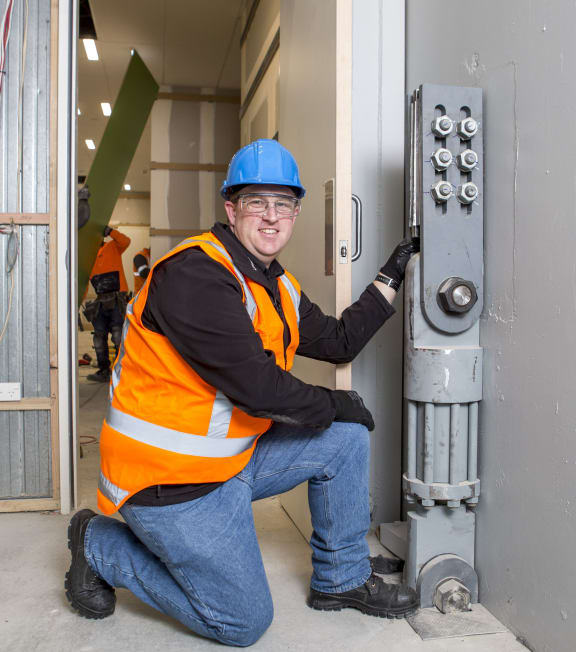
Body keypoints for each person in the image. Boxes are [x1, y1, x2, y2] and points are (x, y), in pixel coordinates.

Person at [65, 140, 419, 645]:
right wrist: (334, 402)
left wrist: (391, 275)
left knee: (343, 439)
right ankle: (96, 542)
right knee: (242, 621)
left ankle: (340, 578)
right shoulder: (196, 275)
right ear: (231, 209)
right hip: (169, 481)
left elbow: (340, 339)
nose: (272, 217)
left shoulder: (276, 284)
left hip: (228, 460)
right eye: (257, 202)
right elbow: (257, 388)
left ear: (296, 212)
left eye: (283, 204)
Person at [84, 226, 131, 383]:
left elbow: (126, 241)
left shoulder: (113, 247)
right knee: (99, 337)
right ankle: (104, 371)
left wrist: (111, 231)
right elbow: (83, 283)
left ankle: (122, 372)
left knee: (118, 336)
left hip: (117, 299)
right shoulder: (87, 258)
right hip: (100, 301)